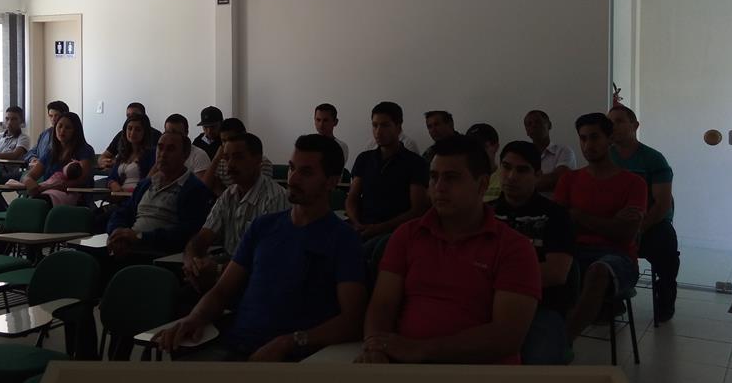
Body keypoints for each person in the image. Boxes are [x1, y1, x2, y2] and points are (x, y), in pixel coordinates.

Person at [155, 134, 365, 362]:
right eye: (292, 168)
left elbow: (352, 321)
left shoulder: (343, 240)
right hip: (236, 345)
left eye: (306, 173)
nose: (293, 179)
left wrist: (291, 342)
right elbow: (222, 291)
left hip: (294, 358)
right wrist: (195, 318)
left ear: (332, 182)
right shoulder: (263, 227)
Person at [357, 135, 540, 365]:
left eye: (452, 178)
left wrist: (421, 350)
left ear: (482, 185)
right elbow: (383, 304)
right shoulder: (407, 235)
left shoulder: (514, 248)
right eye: (434, 177)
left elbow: (507, 336)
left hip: (481, 372)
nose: (439, 188)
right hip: (405, 367)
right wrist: (375, 347)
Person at [554, 113, 646, 344]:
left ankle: (562, 344)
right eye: (583, 138)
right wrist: (611, 222)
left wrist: (578, 215)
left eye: (594, 137)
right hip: (575, 252)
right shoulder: (569, 180)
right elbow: (559, 226)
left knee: (598, 271)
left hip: (619, 257)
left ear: (610, 139)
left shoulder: (634, 183)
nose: (588, 145)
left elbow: (624, 234)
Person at [491, 141, 576, 364]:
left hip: (542, 306)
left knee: (538, 365)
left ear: (537, 175)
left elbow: (556, 273)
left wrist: (492, 276)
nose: (511, 176)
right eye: (506, 167)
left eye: (522, 170)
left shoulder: (556, 215)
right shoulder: (485, 213)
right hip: (485, 302)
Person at [183, 133, 290, 294]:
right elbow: (202, 238)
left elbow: (267, 259)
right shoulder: (228, 195)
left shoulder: (274, 198)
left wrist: (218, 269)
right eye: (226, 158)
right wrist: (192, 262)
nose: (230, 164)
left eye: (238, 157)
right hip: (225, 274)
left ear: (258, 160)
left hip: (257, 282)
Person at [609, 105, 678, 322]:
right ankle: (610, 297)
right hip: (615, 223)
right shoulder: (605, 157)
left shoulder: (653, 158)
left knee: (666, 247)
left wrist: (639, 229)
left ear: (635, 125)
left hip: (650, 223)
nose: (614, 126)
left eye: (619, 121)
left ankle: (665, 299)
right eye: (610, 122)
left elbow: (663, 203)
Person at [106, 132, 212, 257]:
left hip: (160, 255)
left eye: (170, 149)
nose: (162, 154)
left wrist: (140, 237)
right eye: (160, 148)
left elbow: (185, 233)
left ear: (185, 154)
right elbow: (122, 213)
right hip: (129, 247)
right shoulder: (145, 184)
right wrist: (117, 231)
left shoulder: (194, 189)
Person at [346, 102, 429, 241]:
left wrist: (379, 228)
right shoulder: (364, 159)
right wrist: (356, 223)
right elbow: (352, 198)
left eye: (385, 125)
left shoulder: (415, 163)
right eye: (375, 125)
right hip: (362, 228)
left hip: (395, 234)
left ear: (398, 127)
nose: (378, 132)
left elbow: (417, 210)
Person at [22, 112, 95, 206]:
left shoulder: (85, 150)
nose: (62, 130)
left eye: (68, 128)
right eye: (59, 126)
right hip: (47, 195)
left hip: (74, 198)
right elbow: (29, 175)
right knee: (22, 204)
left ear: (76, 131)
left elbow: (82, 180)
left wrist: (48, 187)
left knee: (37, 204)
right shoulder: (50, 152)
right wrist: (28, 181)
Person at [201, 118, 274, 196]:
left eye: (231, 139)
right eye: (224, 141)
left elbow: (258, 192)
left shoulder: (261, 163)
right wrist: (216, 159)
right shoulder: (221, 162)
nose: (227, 145)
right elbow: (204, 188)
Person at [524, 110, 577, 196]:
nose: (533, 125)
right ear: (526, 131)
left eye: (538, 122)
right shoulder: (523, 155)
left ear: (549, 125)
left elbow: (560, 179)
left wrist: (524, 183)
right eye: (529, 124)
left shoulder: (564, 151)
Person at [98, 102, 163, 169]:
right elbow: (103, 156)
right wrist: (105, 162)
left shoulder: (157, 135)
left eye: (135, 115)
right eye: (128, 116)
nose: (132, 133)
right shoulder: (122, 134)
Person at [106, 114, 156, 194]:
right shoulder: (122, 155)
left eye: (138, 130)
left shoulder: (152, 154)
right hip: (119, 196)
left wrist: (130, 191)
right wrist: (112, 183)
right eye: (129, 128)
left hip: (138, 197)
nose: (132, 132)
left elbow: (149, 182)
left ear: (145, 132)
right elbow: (111, 177)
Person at [163, 114, 211, 178]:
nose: (171, 137)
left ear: (186, 133)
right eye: (168, 132)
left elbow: (200, 184)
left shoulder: (199, 156)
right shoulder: (161, 154)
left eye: (176, 133)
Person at [466, 123, 502, 202]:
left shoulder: (507, 179)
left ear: (496, 147)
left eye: (482, 147)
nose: (476, 152)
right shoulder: (461, 179)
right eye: (471, 147)